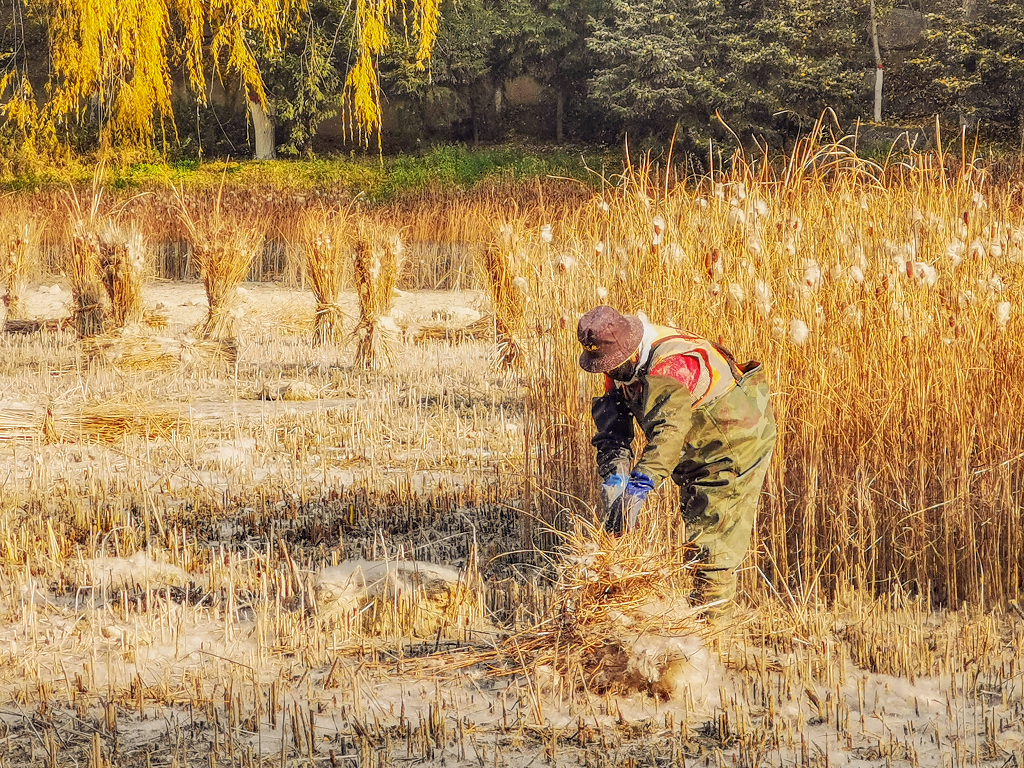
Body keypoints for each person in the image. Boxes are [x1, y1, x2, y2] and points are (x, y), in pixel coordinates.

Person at [577, 305, 777, 616]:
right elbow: (613, 432)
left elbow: (668, 434)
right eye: (604, 366)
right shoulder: (616, 363)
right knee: (697, 525)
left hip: (734, 441)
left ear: (630, 350)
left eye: (614, 365)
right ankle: (699, 620)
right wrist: (614, 476)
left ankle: (712, 636)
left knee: (712, 540)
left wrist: (640, 485)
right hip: (695, 443)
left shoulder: (672, 366)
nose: (609, 372)